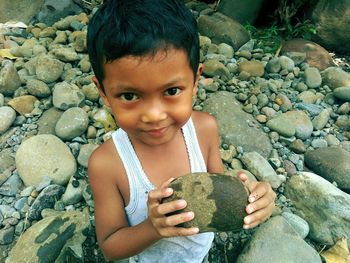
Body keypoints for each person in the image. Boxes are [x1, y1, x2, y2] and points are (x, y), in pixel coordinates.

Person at [87, 0, 276, 262]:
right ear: (103, 92)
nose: (154, 115)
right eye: (129, 95)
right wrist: (153, 228)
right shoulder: (107, 164)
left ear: (196, 80)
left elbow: (217, 191)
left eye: (172, 91)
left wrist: (252, 198)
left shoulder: (204, 129)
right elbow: (110, 245)